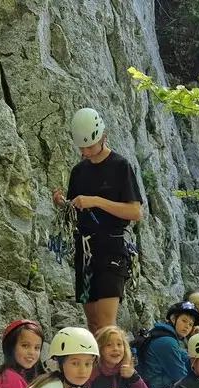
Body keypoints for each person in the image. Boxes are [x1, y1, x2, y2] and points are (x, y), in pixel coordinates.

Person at [51, 108, 143, 332]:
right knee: (93, 324)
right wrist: (63, 204)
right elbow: (76, 209)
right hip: (85, 251)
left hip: (111, 249)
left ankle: (115, 356)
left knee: (106, 325)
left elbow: (135, 212)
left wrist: (97, 201)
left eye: (90, 146)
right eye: (81, 148)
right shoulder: (79, 171)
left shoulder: (120, 166)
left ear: (103, 137)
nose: (85, 152)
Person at [139, 301, 199, 388]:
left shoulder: (168, 336)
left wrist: (197, 340)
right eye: (184, 321)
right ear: (173, 319)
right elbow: (180, 377)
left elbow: (188, 360)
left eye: (190, 324)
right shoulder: (167, 342)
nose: (187, 326)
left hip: (157, 386)